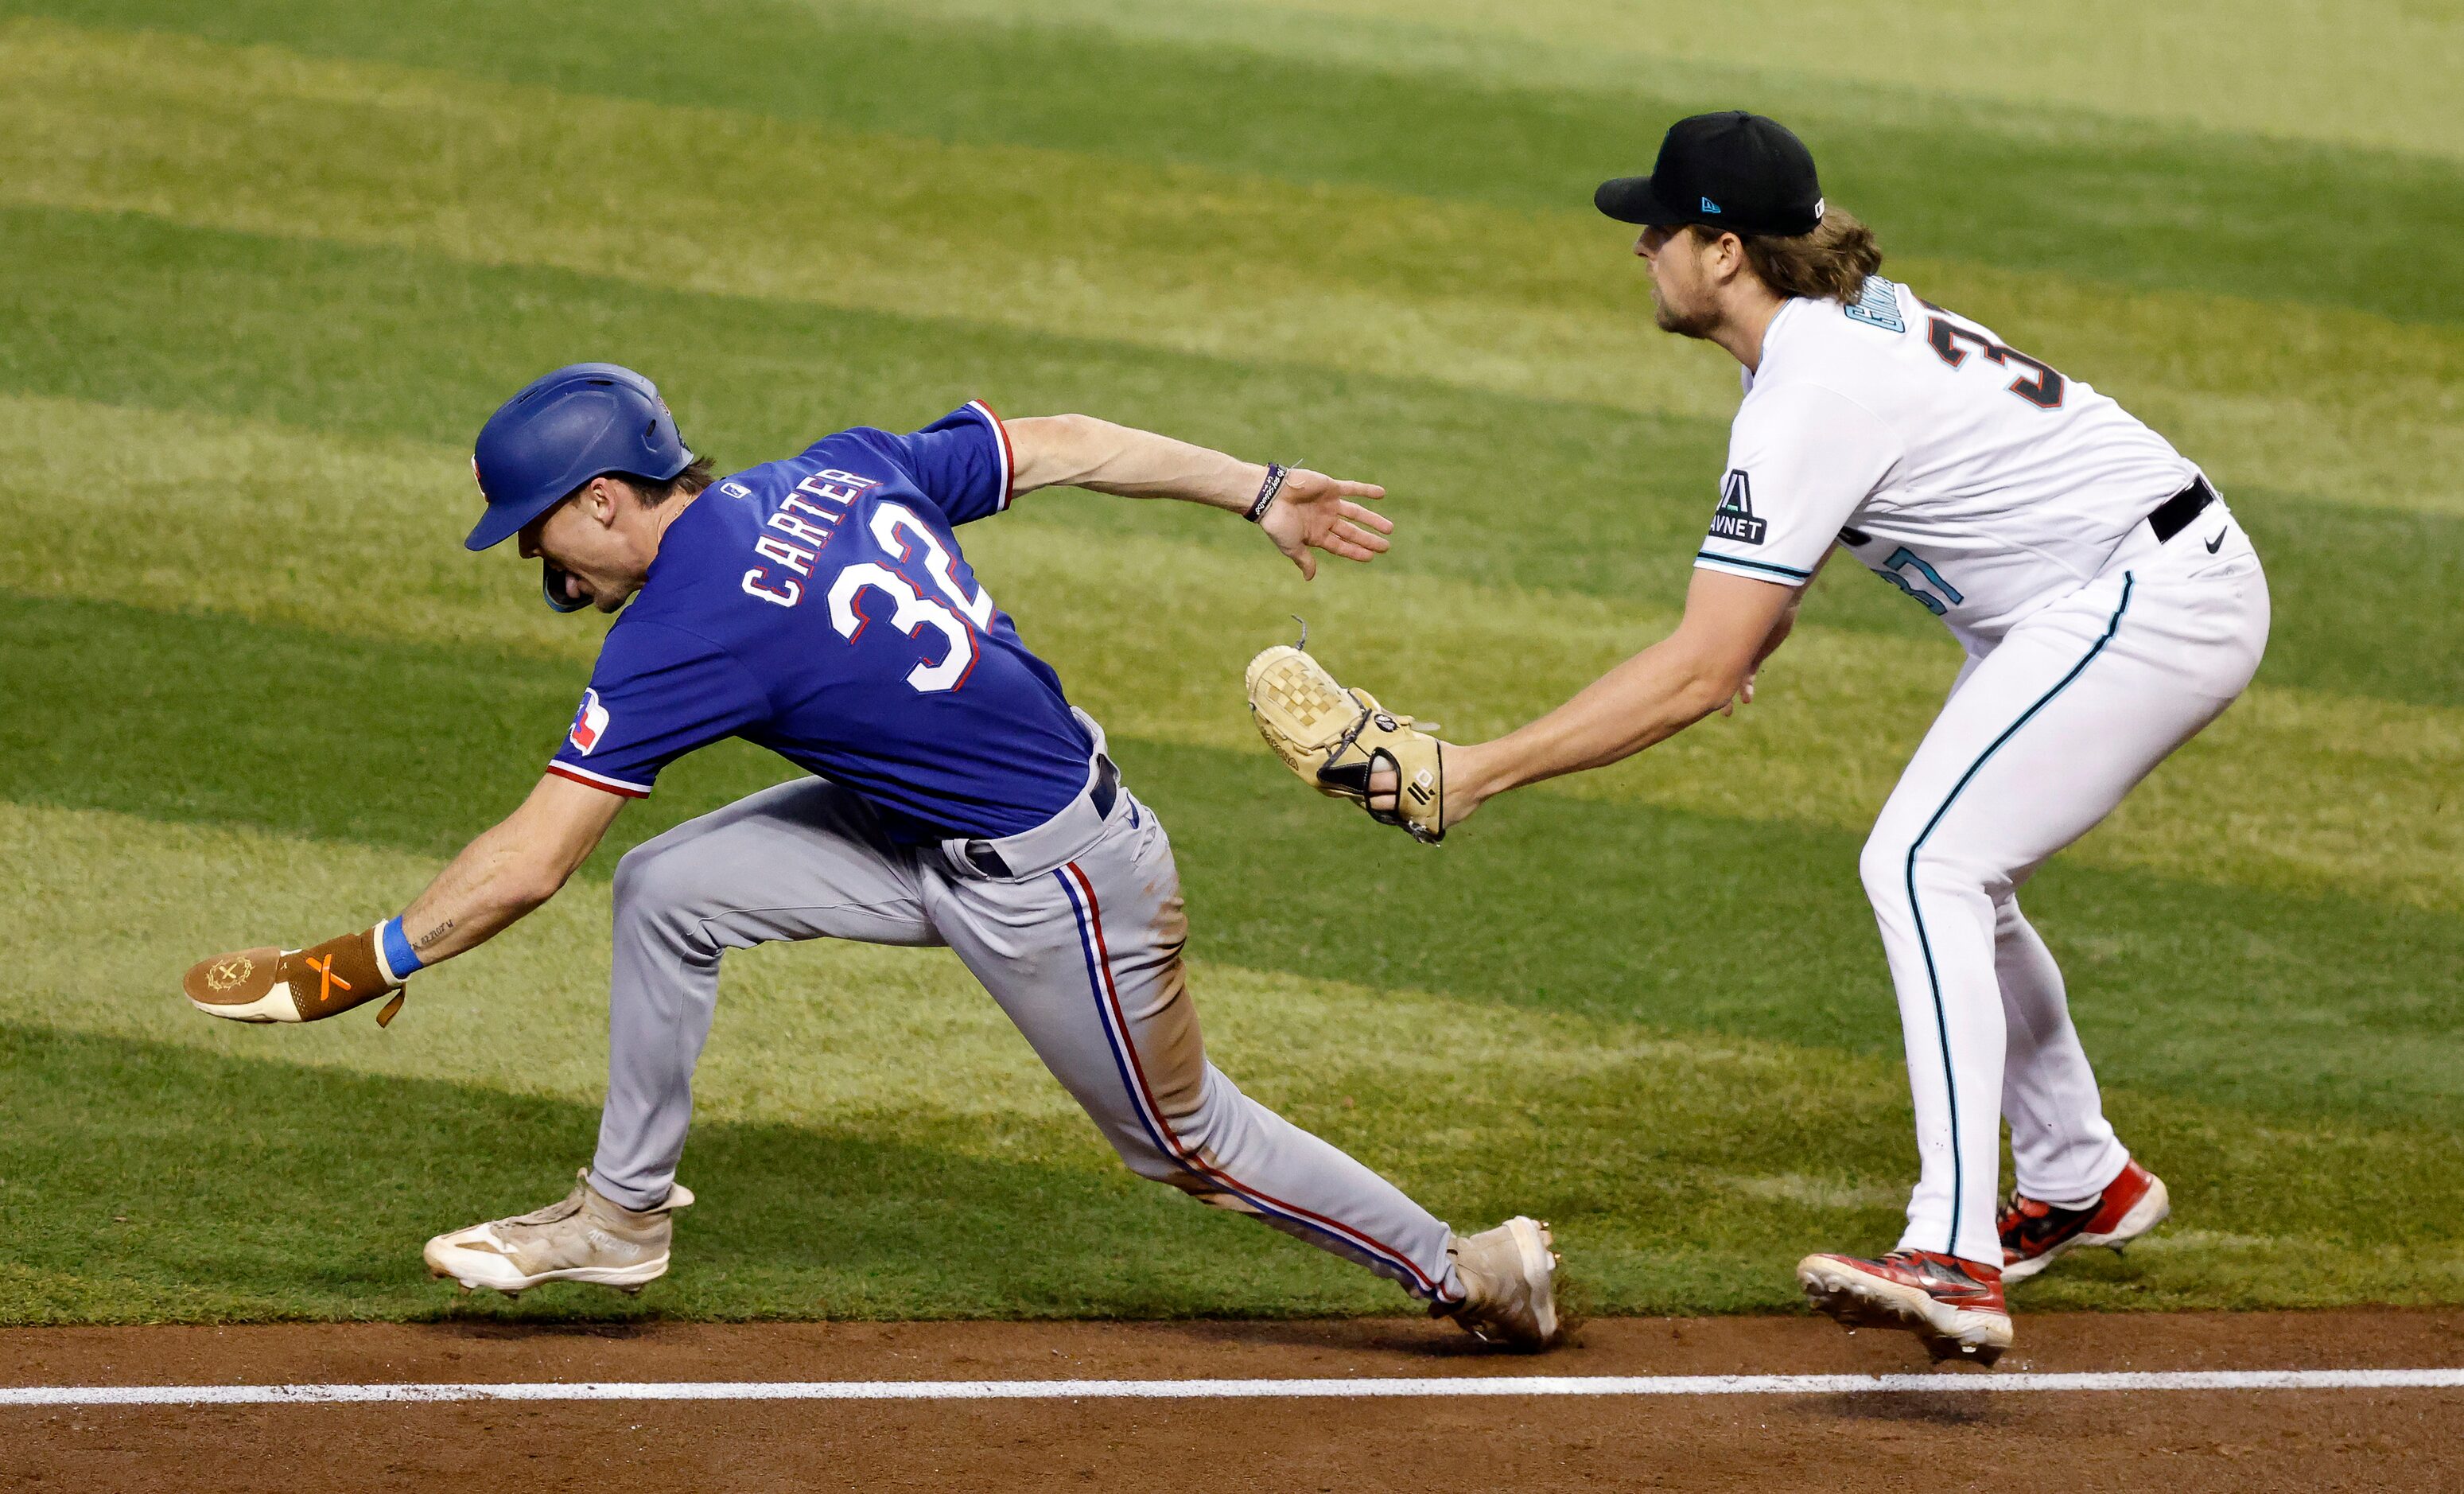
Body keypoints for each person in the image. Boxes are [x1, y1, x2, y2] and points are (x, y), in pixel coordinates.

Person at [180, 364, 1561, 1348]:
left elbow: (535, 856)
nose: (543, 569)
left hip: (1057, 877)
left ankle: (1467, 1268)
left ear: (602, 499)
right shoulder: (833, 466)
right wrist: (1252, 488)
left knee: (1186, 1143)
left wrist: (372, 957)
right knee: (669, 890)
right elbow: (1068, 438)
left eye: (536, 531)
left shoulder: (683, 624)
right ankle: (620, 1215)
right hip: (926, 830)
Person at [1281, 113, 2265, 1364]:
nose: (1639, 245)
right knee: (1960, 867)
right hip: (2104, 590)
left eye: (1659, 226)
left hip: (2148, 602)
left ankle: (1953, 1255)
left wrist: (1468, 773)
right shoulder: (1823, 336)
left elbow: (1702, 664)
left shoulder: (1811, 386)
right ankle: (2079, 1173)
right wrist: (1732, 649)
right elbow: (1752, 613)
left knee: (1924, 864)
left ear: (1725, 249)